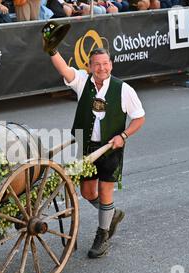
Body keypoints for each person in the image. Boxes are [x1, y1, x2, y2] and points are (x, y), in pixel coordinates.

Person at [44, 30, 145, 258]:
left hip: (111, 147)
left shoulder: (123, 89)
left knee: (104, 190)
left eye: (105, 64)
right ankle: (111, 214)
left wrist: (124, 136)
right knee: (88, 192)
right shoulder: (82, 81)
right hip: (87, 146)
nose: (102, 68)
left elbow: (139, 117)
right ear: (89, 66)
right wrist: (52, 50)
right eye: (97, 65)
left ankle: (102, 235)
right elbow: (64, 69)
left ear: (111, 64)